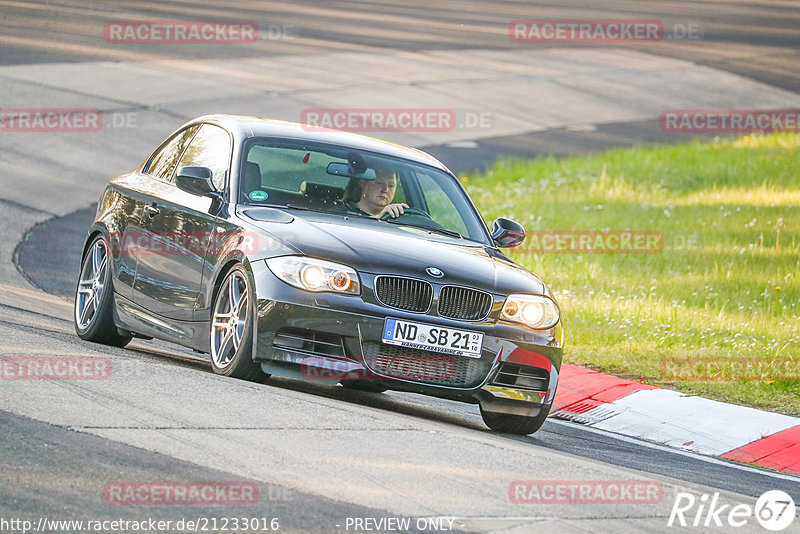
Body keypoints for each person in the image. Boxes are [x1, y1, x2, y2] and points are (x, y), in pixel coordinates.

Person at [341, 163, 408, 218]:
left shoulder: (397, 217)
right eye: (379, 183)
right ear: (362, 183)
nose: (386, 189)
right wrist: (379, 217)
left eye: (391, 185)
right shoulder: (340, 213)